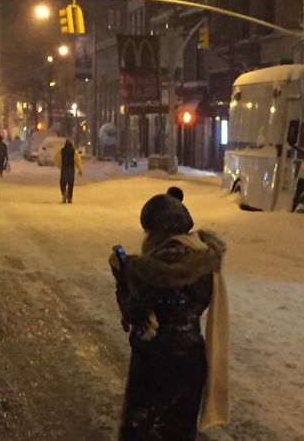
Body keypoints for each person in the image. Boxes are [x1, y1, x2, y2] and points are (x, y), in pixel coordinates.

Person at [110, 189, 229, 441]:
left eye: (148, 232)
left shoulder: (152, 270)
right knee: (178, 431)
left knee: (143, 430)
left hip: (155, 361)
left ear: (157, 233)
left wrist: (122, 278)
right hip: (191, 358)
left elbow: (134, 311)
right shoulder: (203, 261)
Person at [54, 139, 83, 203]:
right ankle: (69, 197)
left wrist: (59, 165)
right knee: (70, 184)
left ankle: (64, 193)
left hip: (64, 169)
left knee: (62, 183)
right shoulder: (74, 151)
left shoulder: (61, 151)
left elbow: (56, 158)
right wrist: (80, 169)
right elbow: (78, 160)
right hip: (71, 169)